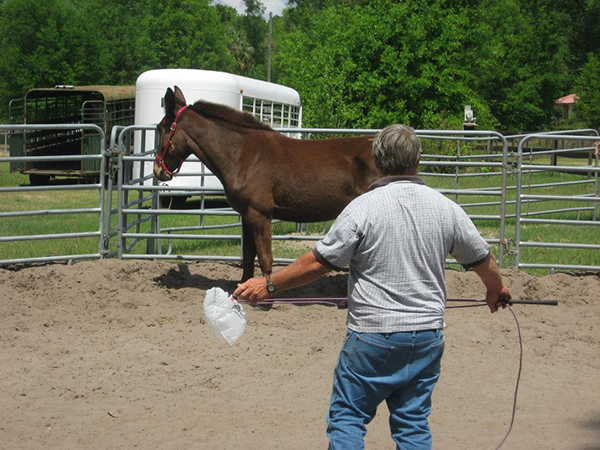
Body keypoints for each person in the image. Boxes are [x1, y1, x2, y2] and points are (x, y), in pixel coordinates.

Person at [233, 124, 512, 450]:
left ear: (378, 161)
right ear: (418, 160)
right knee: (412, 424)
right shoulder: (446, 208)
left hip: (373, 337)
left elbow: (319, 262)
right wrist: (497, 289)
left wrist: (269, 284)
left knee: (347, 417)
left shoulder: (362, 208)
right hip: (427, 337)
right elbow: (483, 260)